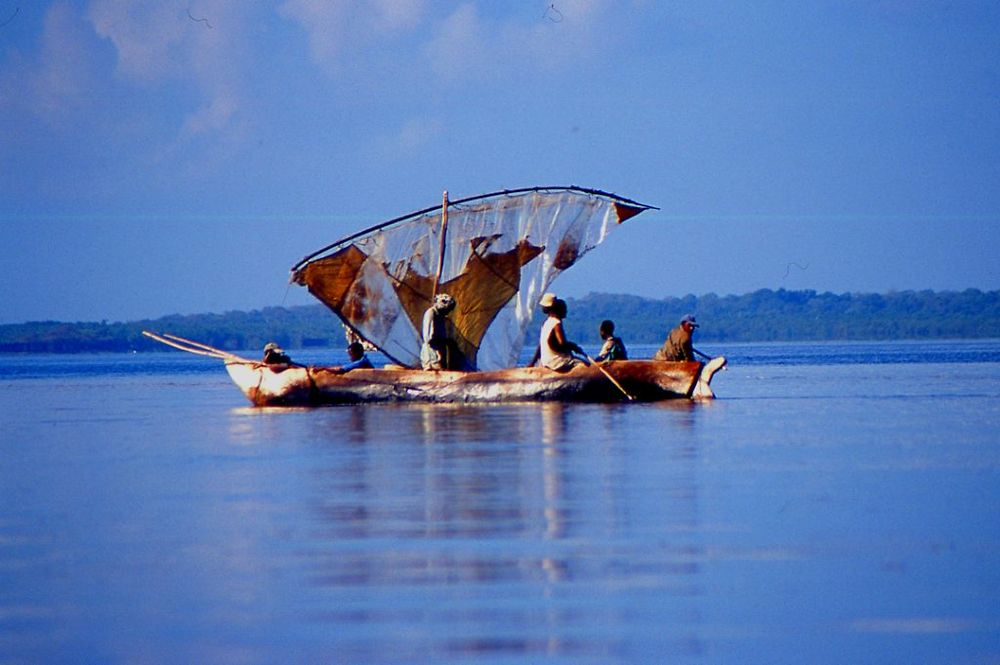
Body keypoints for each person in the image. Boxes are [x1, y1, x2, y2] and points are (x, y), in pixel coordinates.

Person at [531, 293, 587, 371]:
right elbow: (562, 343)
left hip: (546, 362)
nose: (566, 311)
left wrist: (532, 363)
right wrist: (573, 346)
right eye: (564, 309)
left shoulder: (546, 323)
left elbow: (540, 346)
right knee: (585, 365)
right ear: (557, 309)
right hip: (556, 363)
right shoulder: (556, 323)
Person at [421, 293, 462, 370]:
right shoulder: (431, 312)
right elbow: (428, 334)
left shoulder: (441, 317)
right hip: (432, 347)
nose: (446, 305)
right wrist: (434, 341)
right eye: (444, 301)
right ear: (437, 300)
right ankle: (431, 364)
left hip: (439, 346)